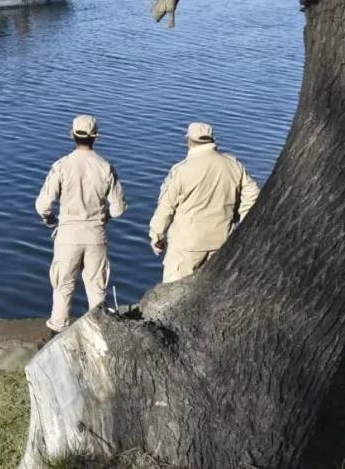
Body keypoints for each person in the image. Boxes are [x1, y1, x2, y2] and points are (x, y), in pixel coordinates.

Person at [36, 115, 127, 338]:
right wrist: (103, 216)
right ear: (95, 138)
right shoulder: (106, 167)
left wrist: (51, 221)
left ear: (73, 136)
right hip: (96, 233)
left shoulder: (62, 166)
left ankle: (56, 335)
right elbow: (118, 209)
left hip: (68, 234)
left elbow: (43, 205)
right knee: (97, 287)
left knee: (63, 285)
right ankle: (100, 335)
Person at [149, 122, 261, 283]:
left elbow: (166, 206)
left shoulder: (181, 170)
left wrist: (156, 234)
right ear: (212, 140)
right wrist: (242, 223)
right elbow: (253, 194)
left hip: (187, 244)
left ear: (189, 142)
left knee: (174, 290)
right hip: (222, 240)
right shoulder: (233, 165)